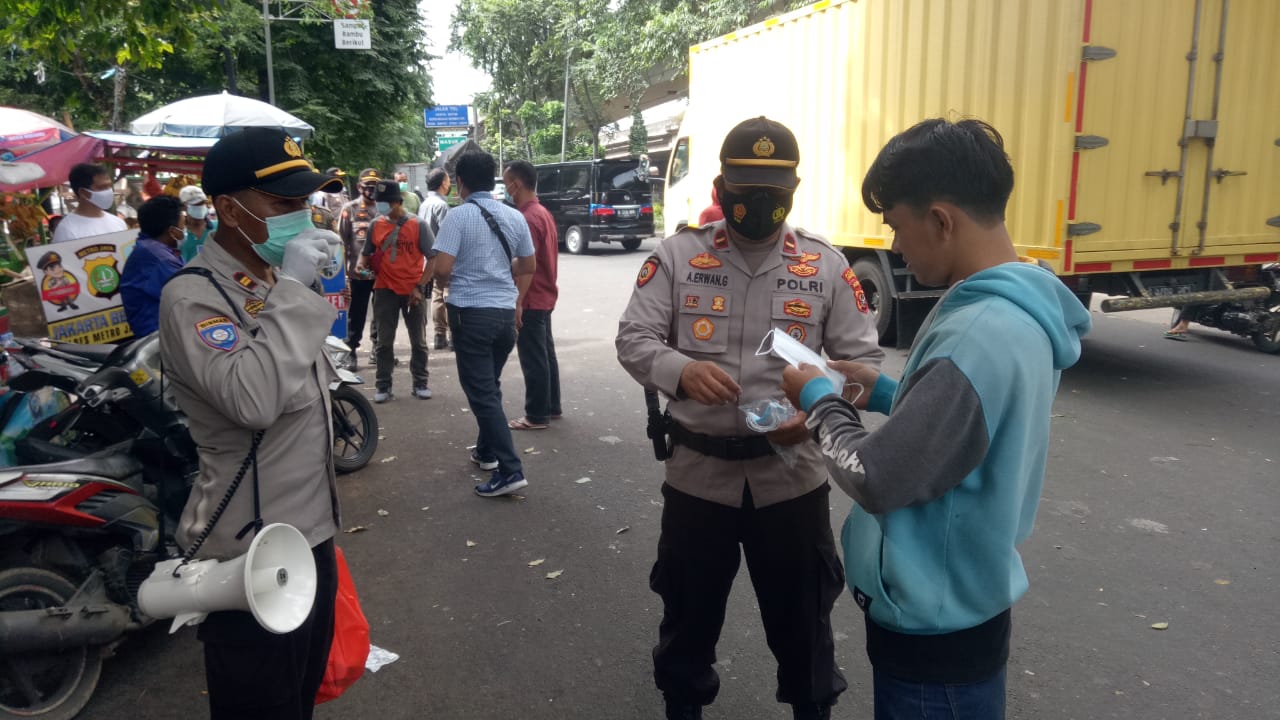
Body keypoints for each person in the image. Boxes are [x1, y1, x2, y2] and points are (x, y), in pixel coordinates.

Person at [778, 118, 1092, 720]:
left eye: (897, 226)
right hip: (968, 600)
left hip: (934, 631)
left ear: (942, 220)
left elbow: (877, 477)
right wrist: (887, 390)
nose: (895, 246)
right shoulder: (1017, 311)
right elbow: (970, 427)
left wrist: (820, 400)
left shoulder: (976, 333)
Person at [615, 116, 883, 720]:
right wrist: (678, 369)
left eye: (774, 188)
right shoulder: (679, 256)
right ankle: (683, 707)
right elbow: (634, 338)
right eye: (745, 188)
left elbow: (863, 365)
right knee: (687, 617)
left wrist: (816, 410)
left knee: (804, 624)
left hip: (791, 479)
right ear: (720, 186)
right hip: (697, 481)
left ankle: (811, 709)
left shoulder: (825, 266)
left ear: (793, 188)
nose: (759, 201)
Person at [158, 127, 344, 720]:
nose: (302, 216)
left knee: (298, 698)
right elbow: (255, 400)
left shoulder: (265, 282)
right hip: (247, 555)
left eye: (305, 202)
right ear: (229, 209)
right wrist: (293, 287)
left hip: (310, 540)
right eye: (284, 204)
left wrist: (292, 287)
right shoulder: (194, 297)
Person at [432, 150, 536, 498]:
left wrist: (448, 285)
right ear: (492, 179)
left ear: (459, 182)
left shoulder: (458, 218)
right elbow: (527, 265)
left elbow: (443, 268)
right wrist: (513, 296)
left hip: (471, 315)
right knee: (488, 384)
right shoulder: (514, 216)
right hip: (505, 315)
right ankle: (487, 453)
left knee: (481, 392)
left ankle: (511, 469)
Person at [354, 179, 435, 402]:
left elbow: (434, 258)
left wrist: (420, 287)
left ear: (398, 202)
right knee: (384, 342)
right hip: (384, 290)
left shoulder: (418, 225)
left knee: (418, 341)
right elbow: (367, 252)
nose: (382, 207)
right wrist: (361, 264)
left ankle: (420, 383)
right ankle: (383, 386)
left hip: (413, 292)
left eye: (387, 202)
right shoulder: (375, 225)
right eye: (381, 203)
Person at [503, 160, 561, 430]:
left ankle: (536, 415)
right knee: (545, 354)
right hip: (545, 293)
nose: (506, 189)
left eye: (506, 184)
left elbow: (528, 265)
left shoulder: (526, 218)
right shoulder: (542, 213)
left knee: (533, 357)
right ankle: (551, 407)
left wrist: (517, 301)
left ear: (516, 184)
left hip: (532, 296)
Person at [121, 195, 185, 336]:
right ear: (172, 231)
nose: (184, 230)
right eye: (182, 226)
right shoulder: (160, 259)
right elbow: (190, 294)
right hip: (161, 339)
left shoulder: (150, 249)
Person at [338, 168, 383, 368]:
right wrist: (343, 274)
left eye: (375, 186)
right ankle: (351, 351)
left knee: (382, 312)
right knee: (356, 313)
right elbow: (342, 242)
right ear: (359, 187)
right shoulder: (350, 209)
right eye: (368, 186)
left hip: (383, 273)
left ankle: (377, 348)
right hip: (358, 273)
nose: (372, 190)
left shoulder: (385, 209)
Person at [418, 168, 453, 350]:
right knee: (449, 294)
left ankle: (439, 335)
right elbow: (448, 234)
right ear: (442, 184)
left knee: (437, 295)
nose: (450, 184)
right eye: (448, 180)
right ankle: (453, 335)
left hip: (428, 258)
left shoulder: (424, 203)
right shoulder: (441, 206)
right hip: (442, 257)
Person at [53, 163, 127, 243]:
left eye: (109, 186)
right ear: (83, 192)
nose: (108, 191)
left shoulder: (118, 223)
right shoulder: (67, 230)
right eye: (101, 187)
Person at [179, 185, 215, 262]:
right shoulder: (179, 233)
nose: (200, 207)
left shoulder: (217, 227)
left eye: (202, 203)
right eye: (195, 204)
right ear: (184, 207)